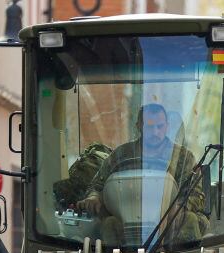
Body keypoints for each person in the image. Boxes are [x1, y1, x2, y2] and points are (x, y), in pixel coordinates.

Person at [77, 102, 205, 245]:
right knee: (108, 224)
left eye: (160, 126)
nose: (155, 132)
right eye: (149, 127)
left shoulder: (183, 157)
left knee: (191, 220)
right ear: (138, 126)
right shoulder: (120, 155)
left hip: (170, 223)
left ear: (167, 126)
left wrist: (179, 208)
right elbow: (97, 185)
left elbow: (196, 194)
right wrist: (94, 197)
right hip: (124, 221)